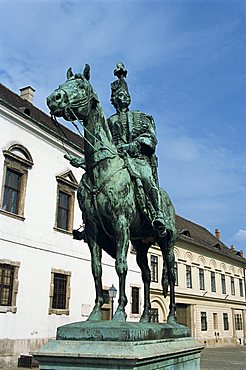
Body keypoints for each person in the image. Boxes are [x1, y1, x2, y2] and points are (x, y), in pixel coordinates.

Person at [107, 63, 166, 237]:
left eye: (124, 94)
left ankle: (158, 214)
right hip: (117, 159)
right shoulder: (109, 122)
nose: (121, 98)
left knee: (147, 179)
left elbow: (151, 138)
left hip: (138, 159)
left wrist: (135, 144)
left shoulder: (141, 117)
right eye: (118, 95)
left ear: (129, 98)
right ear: (113, 100)